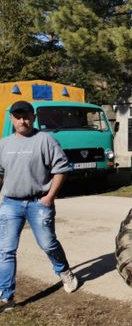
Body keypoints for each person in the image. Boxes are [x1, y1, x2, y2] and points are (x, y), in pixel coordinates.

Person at [0, 100, 78, 312]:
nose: (22, 120)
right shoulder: (4, 144)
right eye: (18, 116)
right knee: (5, 251)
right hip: (10, 204)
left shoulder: (46, 140)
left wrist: (50, 196)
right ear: (11, 119)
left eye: (26, 116)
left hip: (39, 203)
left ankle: (64, 271)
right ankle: (7, 297)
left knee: (48, 244)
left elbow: (60, 169)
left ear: (33, 117)